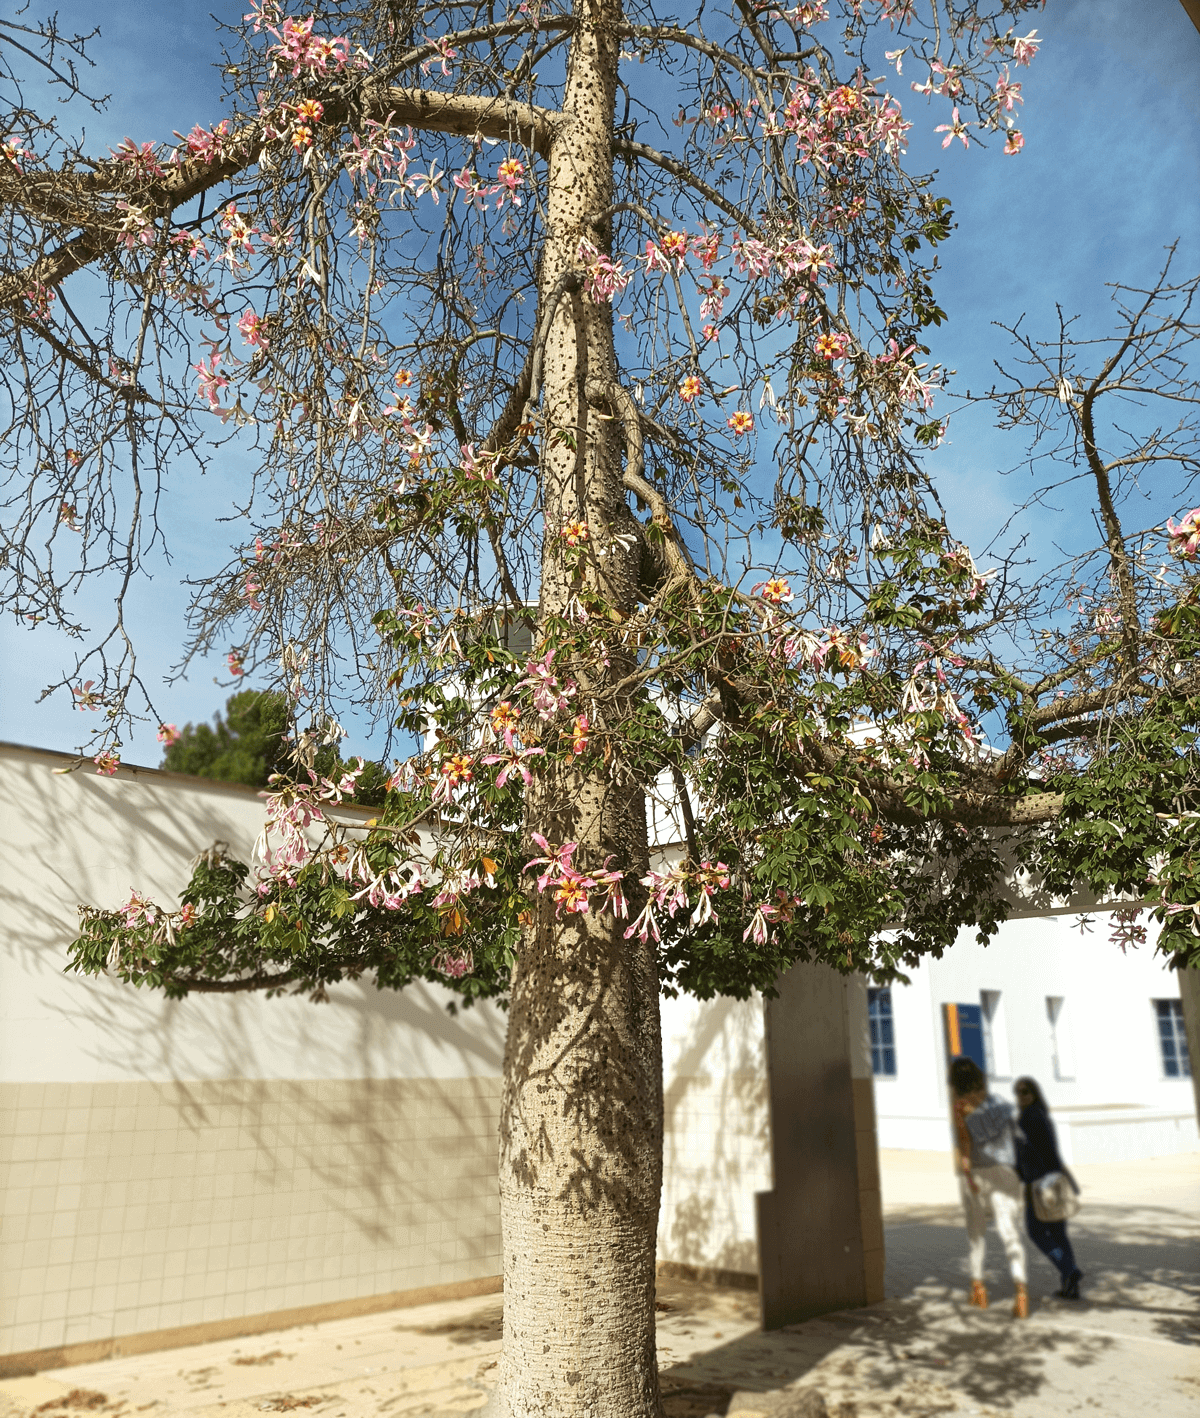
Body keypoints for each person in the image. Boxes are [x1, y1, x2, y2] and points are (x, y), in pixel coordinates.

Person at [949, 1055, 1029, 1317]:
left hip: (979, 1174)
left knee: (976, 1235)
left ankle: (979, 1291)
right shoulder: (1001, 1105)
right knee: (1011, 1235)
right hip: (1008, 1174)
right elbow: (1017, 1139)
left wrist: (967, 1177)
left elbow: (965, 1147)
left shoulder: (961, 1108)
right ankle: (1021, 1294)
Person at [1014, 1076, 1083, 1299]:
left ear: (1034, 1093)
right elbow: (1051, 1152)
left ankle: (1069, 1271)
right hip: (1052, 1180)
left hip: (1038, 1184)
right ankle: (1069, 1285)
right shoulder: (1042, 1116)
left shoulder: (1028, 1119)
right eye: (1018, 1092)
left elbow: (1023, 1155)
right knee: (1057, 1233)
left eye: (1025, 1091)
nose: (1021, 1096)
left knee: (1035, 1232)